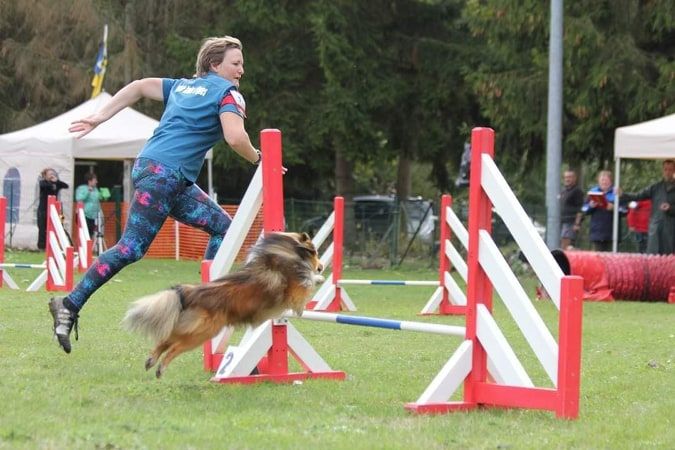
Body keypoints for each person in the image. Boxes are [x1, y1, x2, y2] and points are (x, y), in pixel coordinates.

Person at [49, 36, 265, 354]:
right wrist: (261, 159)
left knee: (225, 228)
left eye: (242, 64)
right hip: (166, 176)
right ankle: (68, 304)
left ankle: (203, 304)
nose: (241, 71)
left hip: (157, 171)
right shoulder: (229, 94)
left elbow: (137, 86)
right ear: (214, 65)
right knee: (130, 248)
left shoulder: (180, 86)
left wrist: (101, 115)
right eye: (236, 63)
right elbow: (235, 137)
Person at [621, 160, 675, 255]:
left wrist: (670, 208)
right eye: (665, 169)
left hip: (671, 230)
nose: (668, 172)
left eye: (670, 169)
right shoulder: (655, 187)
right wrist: (623, 194)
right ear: (662, 170)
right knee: (652, 257)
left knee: (668, 259)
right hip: (655, 229)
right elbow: (638, 196)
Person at [582, 170, 620, 252]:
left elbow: (624, 210)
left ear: (611, 181)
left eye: (606, 180)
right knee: (597, 256)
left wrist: (614, 208)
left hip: (612, 232)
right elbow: (584, 209)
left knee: (611, 257)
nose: (604, 182)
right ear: (598, 181)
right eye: (602, 180)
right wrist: (590, 206)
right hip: (597, 232)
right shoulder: (593, 192)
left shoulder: (616, 192)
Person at [37, 168, 69, 250]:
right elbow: (44, 186)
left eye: (53, 173)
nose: (52, 175)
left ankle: (58, 245)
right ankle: (42, 247)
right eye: (50, 174)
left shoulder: (57, 183)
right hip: (43, 210)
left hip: (56, 209)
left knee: (60, 225)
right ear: (45, 175)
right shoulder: (43, 182)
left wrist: (57, 181)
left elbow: (66, 186)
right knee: (42, 229)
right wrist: (52, 182)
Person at [558, 169, 584, 249]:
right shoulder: (563, 191)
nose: (567, 179)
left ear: (575, 178)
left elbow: (581, 209)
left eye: (569, 177)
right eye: (565, 177)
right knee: (562, 244)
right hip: (562, 222)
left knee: (566, 245)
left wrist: (577, 224)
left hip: (571, 222)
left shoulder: (577, 191)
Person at [75, 172, 102, 238]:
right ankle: (84, 247)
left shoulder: (96, 189)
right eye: (95, 180)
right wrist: (88, 191)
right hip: (84, 214)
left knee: (91, 232)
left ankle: (89, 247)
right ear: (89, 181)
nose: (96, 182)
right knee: (84, 232)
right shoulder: (81, 188)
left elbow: (97, 199)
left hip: (93, 215)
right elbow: (79, 198)